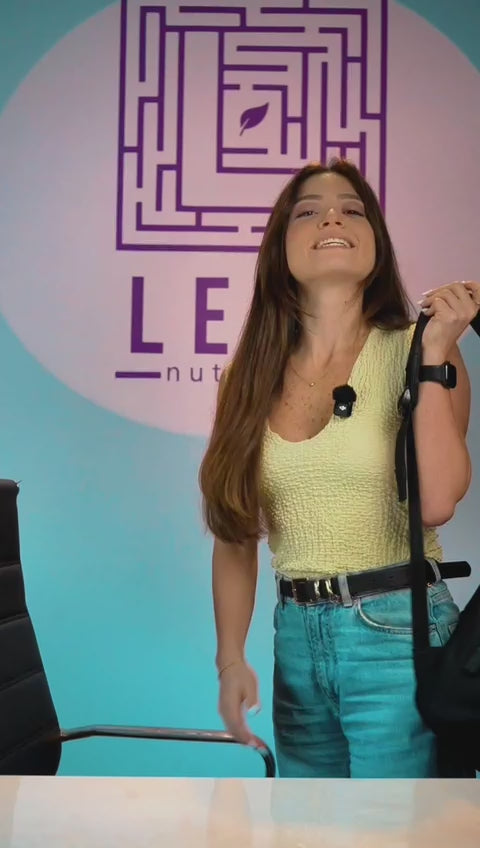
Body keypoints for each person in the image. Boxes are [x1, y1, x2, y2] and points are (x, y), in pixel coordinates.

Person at [199, 160, 480, 778]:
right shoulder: (246, 376)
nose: (332, 218)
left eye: (352, 210)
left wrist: (434, 353)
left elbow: (437, 502)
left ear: (376, 243)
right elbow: (234, 531)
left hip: (397, 634)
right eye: (309, 211)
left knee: (396, 824)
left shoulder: (419, 348)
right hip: (296, 642)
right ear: (280, 247)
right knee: (307, 825)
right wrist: (230, 659)